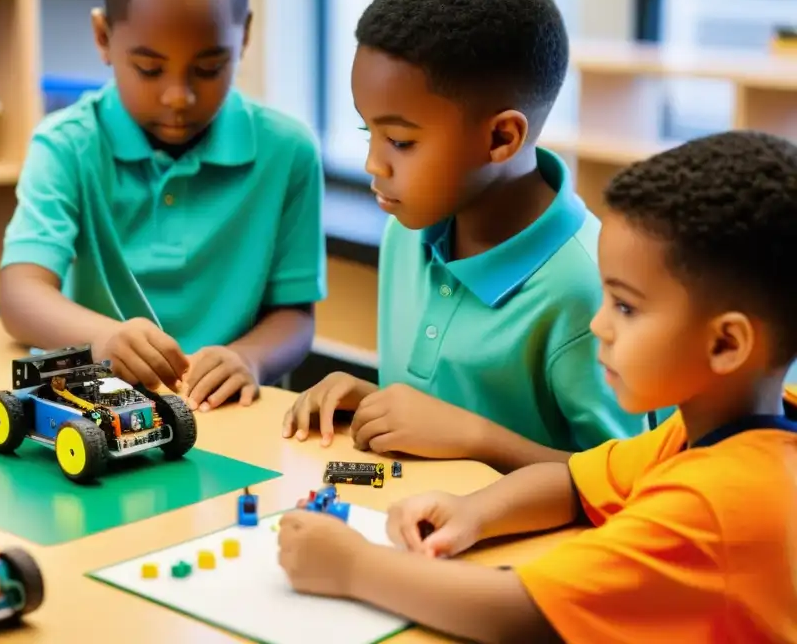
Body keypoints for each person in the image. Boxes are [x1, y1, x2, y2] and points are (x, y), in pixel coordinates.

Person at [277, 131, 797, 643]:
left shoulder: (714, 504)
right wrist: (473, 512)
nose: (599, 326)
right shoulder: (721, 428)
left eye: (625, 306)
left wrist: (352, 566)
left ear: (727, 344)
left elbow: (522, 615)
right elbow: (575, 481)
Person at [282, 0, 645, 472]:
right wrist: (374, 402)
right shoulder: (405, 234)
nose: (372, 164)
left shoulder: (591, 290)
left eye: (401, 142)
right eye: (369, 131)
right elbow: (431, 425)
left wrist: (475, 438)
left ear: (502, 138)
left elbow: (633, 492)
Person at [0, 0, 326, 411]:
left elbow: (296, 316)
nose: (178, 96)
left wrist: (249, 359)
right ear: (103, 37)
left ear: (245, 37)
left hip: (233, 414)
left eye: (209, 68)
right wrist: (104, 339)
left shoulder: (289, 151)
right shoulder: (66, 145)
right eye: (149, 68)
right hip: (99, 409)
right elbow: (20, 296)